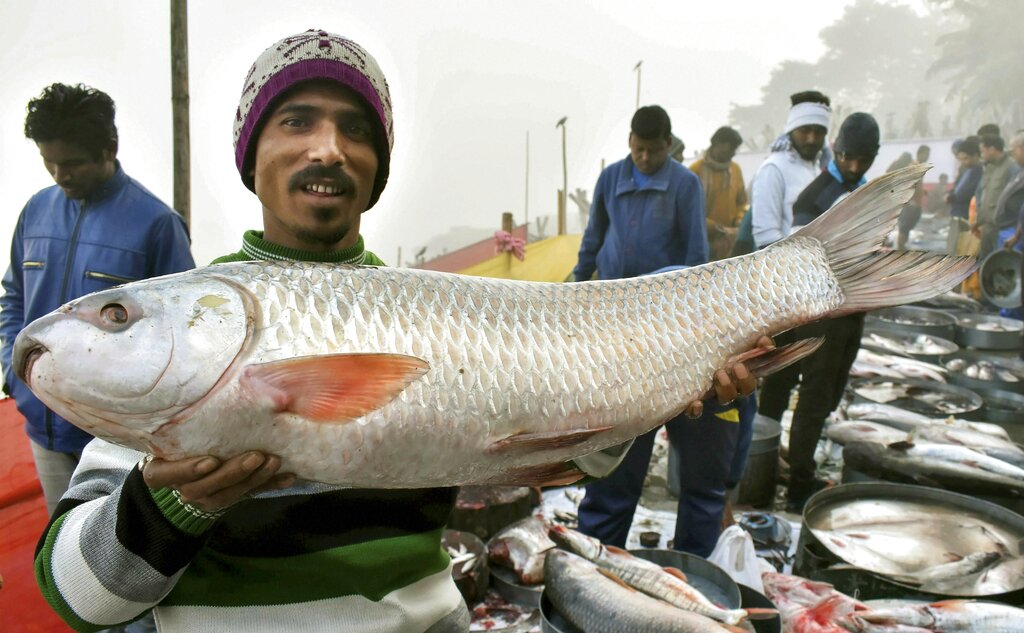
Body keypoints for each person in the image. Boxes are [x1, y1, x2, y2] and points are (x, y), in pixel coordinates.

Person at [34, 31, 764, 633]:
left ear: (377, 167)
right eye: (296, 121)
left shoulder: (438, 305)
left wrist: (668, 385)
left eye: (356, 129)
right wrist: (172, 502)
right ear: (250, 156)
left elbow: (568, 453)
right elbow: (79, 596)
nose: (329, 148)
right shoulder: (190, 333)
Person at [0, 83, 194, 515]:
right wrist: (16, 374)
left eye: (71, 163)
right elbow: (13, 298)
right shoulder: (35, 211)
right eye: (49, 162)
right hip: (43, 430)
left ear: (110, 147)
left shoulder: (158, 224)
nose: (59, 175)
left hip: (116, 443)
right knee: (61, 548)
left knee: (121, 561)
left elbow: (184, 337)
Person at [757, 113, 881, 513]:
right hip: (813, 310)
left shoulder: (865, 192)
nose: (854, 167)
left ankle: (786, 465)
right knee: (802, 394)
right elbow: (806, 262)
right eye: (847, 158)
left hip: (850, 310)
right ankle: (795, 480)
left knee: (826, 395)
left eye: (863, 160)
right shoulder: (816, 195)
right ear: (836, 151)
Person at [573, 105, 708, 281]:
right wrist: (579, 280)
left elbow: (696, 247)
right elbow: (593, 235)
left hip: (662, 291)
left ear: (668, 143)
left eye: (653, 150)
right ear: (630, 141)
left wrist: (694, 289)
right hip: (611, 285)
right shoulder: (609, 178)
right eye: (639, 149)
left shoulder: (686, 183)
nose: (645, 157)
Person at [751, 94, 831, 248]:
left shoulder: (820, 167)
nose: (811, 139)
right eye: (805, 130)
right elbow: (766, 237)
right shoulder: (773, 169)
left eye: (818, 132)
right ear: (791, 130)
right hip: (789, 267)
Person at [690, 126, 748, 261]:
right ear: (717, 144)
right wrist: (715, 228)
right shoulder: (694, 171)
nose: (734, 153)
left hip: (731, 240)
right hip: (704, 241)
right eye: (731, 148)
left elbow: (742, 202)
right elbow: (690, 210)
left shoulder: (735, 169)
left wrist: (739, 222)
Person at [974, 135, 1016, 259]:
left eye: (983, 151)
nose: (982, 155)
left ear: (991, 149)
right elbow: (986, 197)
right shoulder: (990, 167)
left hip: (1001, 229)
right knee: (985, 264)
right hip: (987, 228)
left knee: (999, 263)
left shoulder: (1011, 167)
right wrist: (979, 220)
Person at [946, 136, 983, 254]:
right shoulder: (965, 169)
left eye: (965, 159)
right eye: (961, 159)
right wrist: (951, 194)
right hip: (956, 214)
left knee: (964, 250)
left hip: (967, 217)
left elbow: (971, 193)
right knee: (953, 249)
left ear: (976, 155)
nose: (962, 162)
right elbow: (958, 187)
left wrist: (953, 197)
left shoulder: (981, 171)